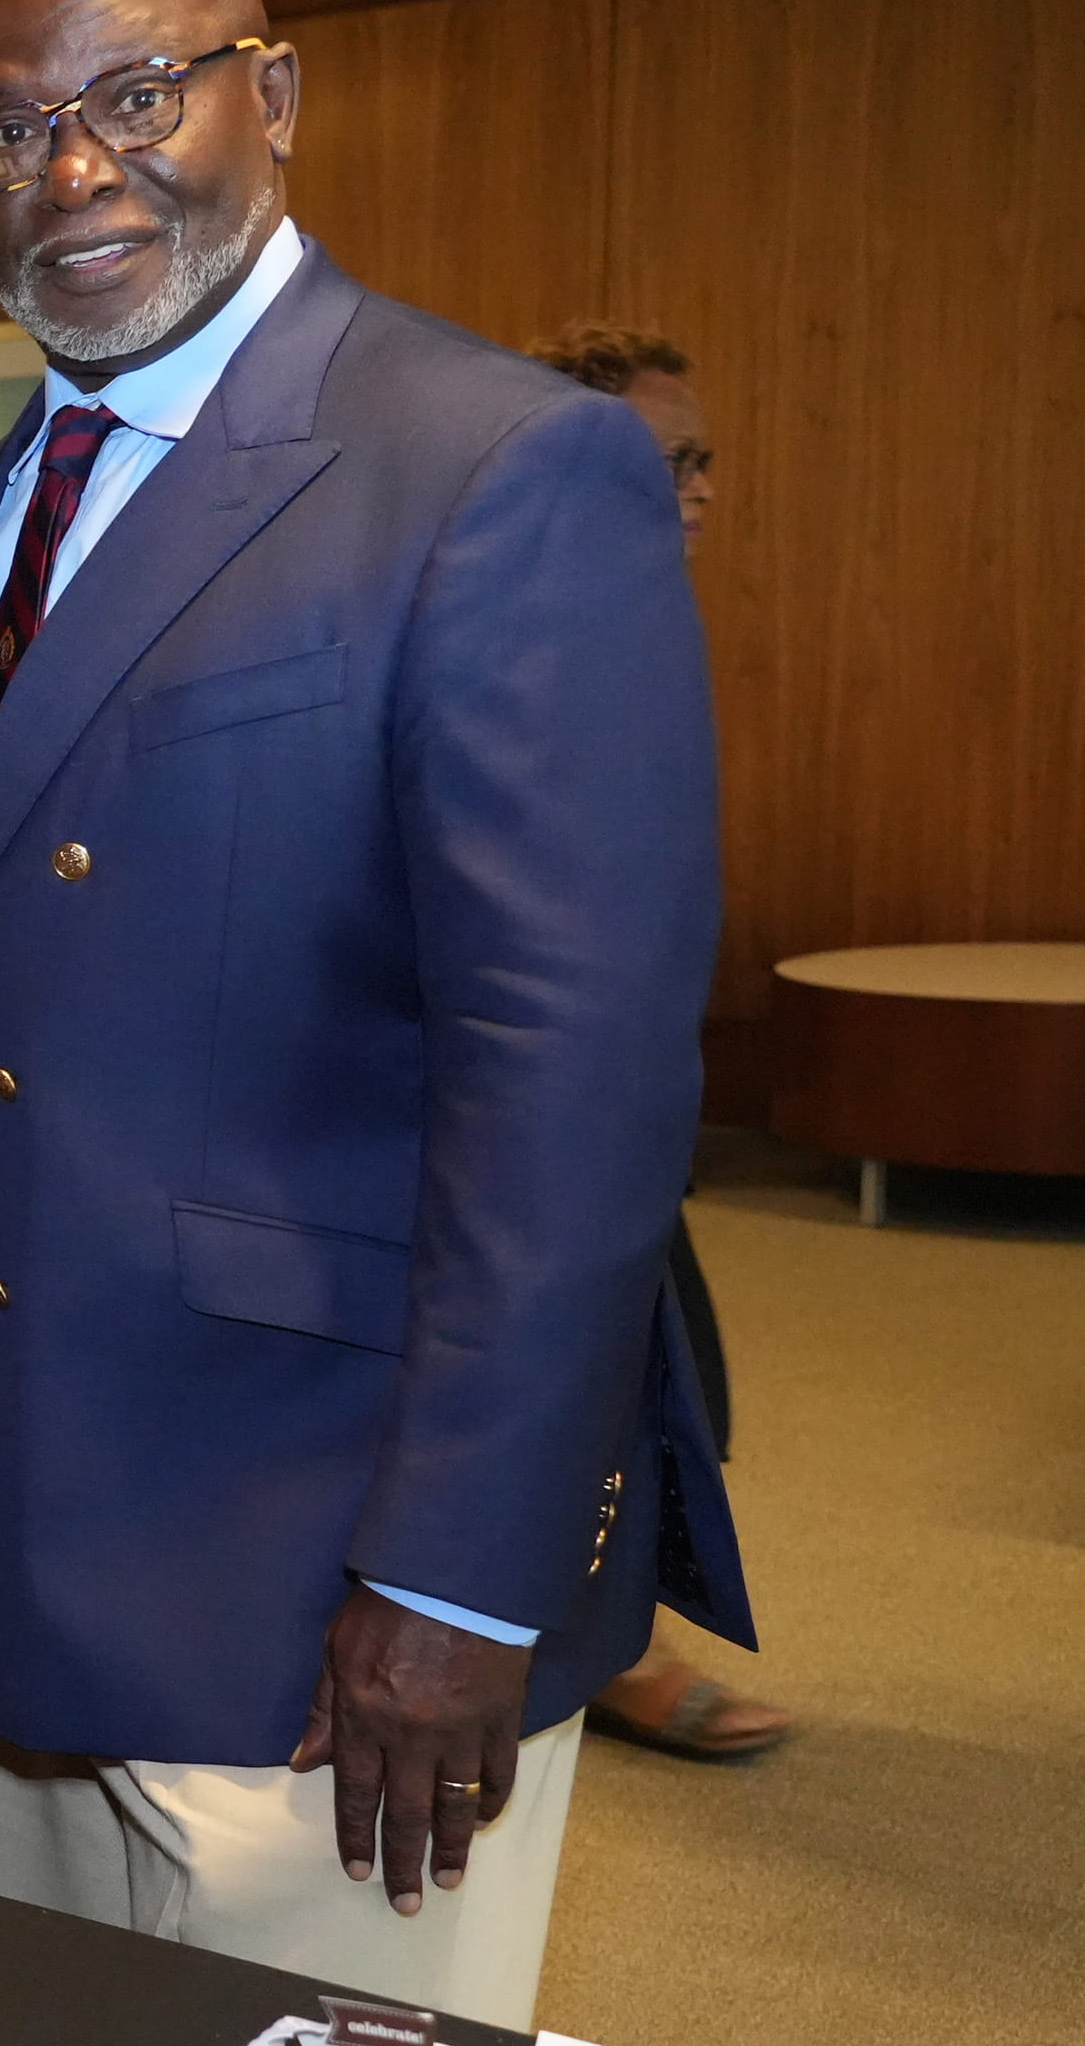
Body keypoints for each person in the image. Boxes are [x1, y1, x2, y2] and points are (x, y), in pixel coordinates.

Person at [0, 0, 750, 2027]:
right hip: (25, 1533)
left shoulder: (502, 472)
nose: (71, 174)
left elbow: (574, 1092)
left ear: (280, 99)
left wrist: (452, 1576)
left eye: (133, 96)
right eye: (5, 130)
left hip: (325, 1572)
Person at [527, 320, 792, 1765]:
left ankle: (605, 1622)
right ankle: (607, 1646)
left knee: (669, 1366)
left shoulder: (639, 608)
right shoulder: (526, 610)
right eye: (671, 459)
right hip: (536, 1083)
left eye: (707, 460)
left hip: (630, 1080)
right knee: (603, 1364)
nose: (702, 490)